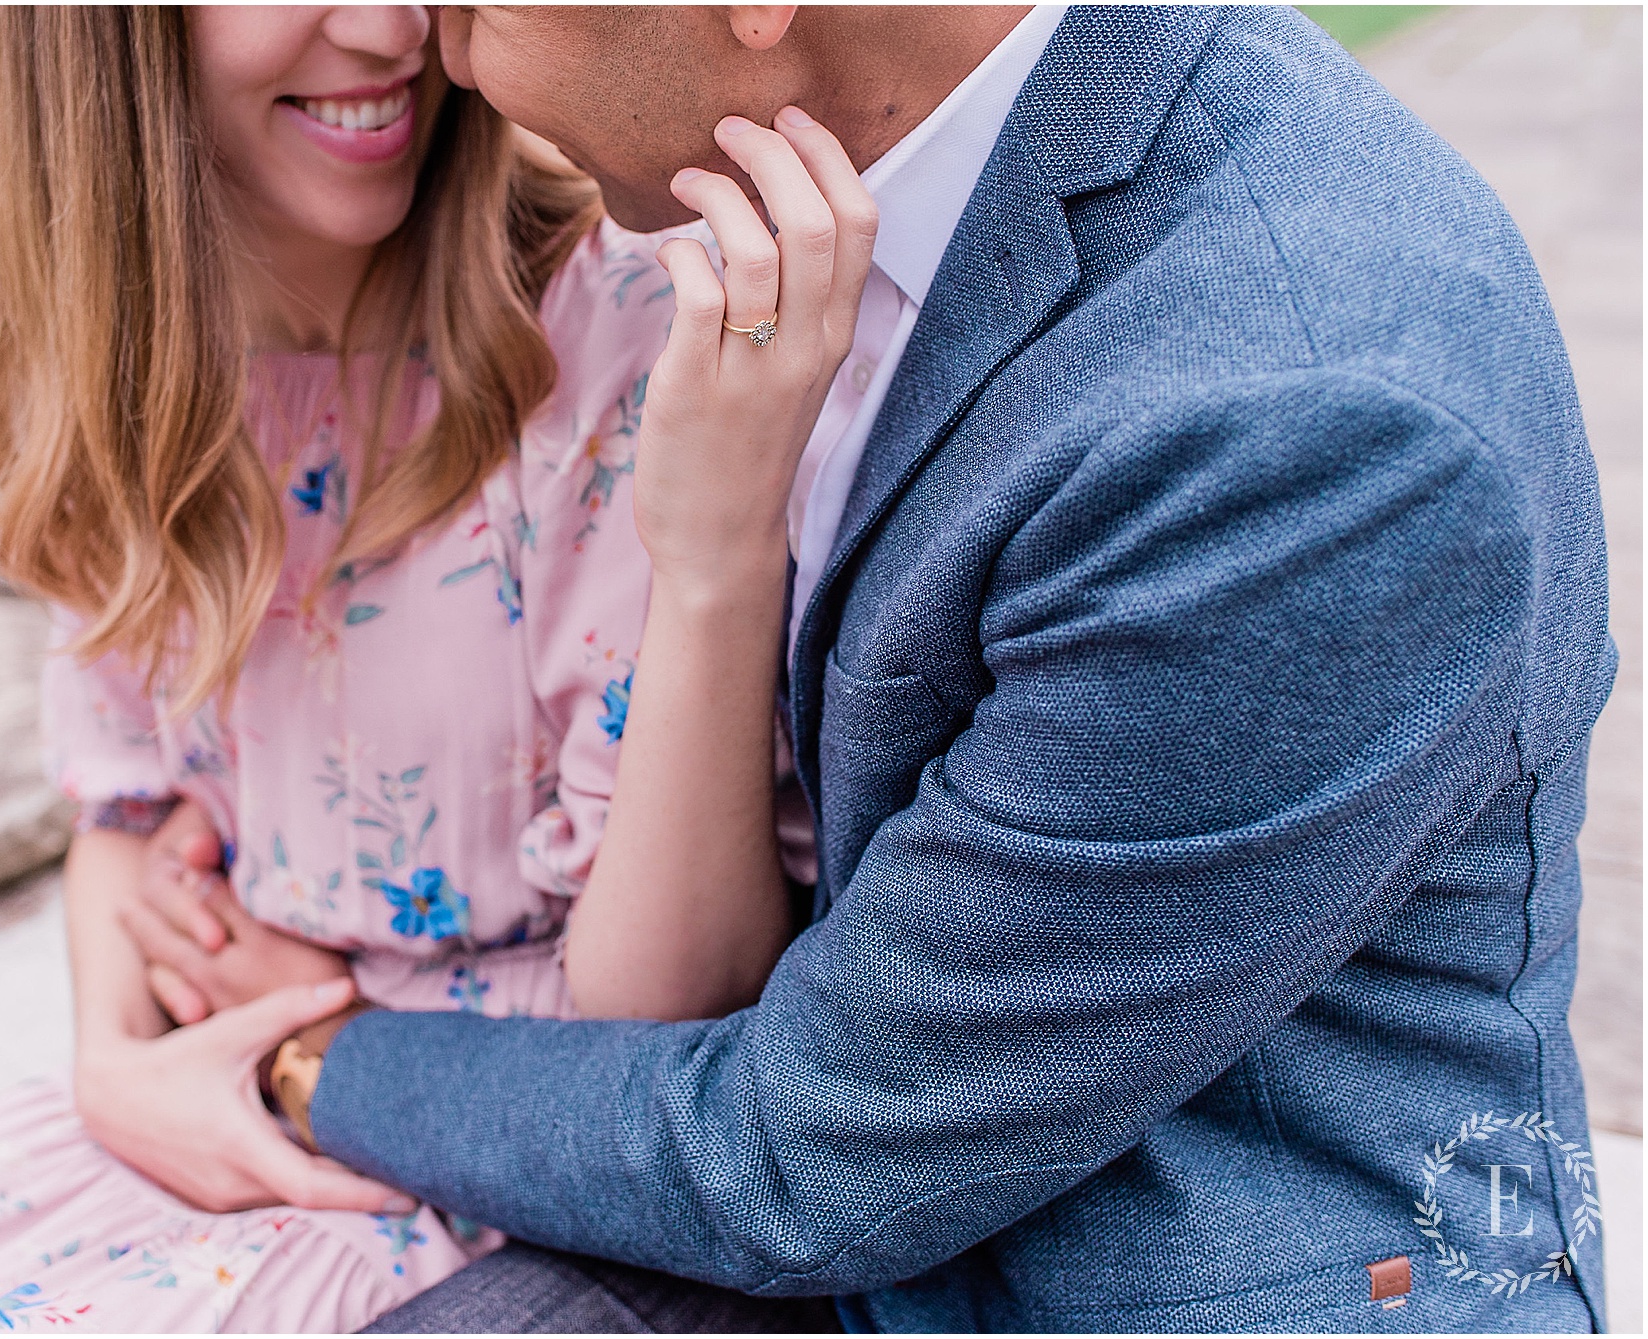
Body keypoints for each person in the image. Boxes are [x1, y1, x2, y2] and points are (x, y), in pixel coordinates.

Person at [128, 5, 1615, 1332]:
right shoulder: (803, 190)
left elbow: (806, 1158)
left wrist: (319, 1059)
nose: (430, 40)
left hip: (1168, 1273)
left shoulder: (1292, 427)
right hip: (843, 1202)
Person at [0, 6, 870, 1333]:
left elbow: (670, 1007)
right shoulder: (130, 373)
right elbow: (125, 817)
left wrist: (716, 559)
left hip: (491, 1164)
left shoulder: (623, 332)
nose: (389, 25)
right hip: (201, 1121)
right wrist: (115, 1067)